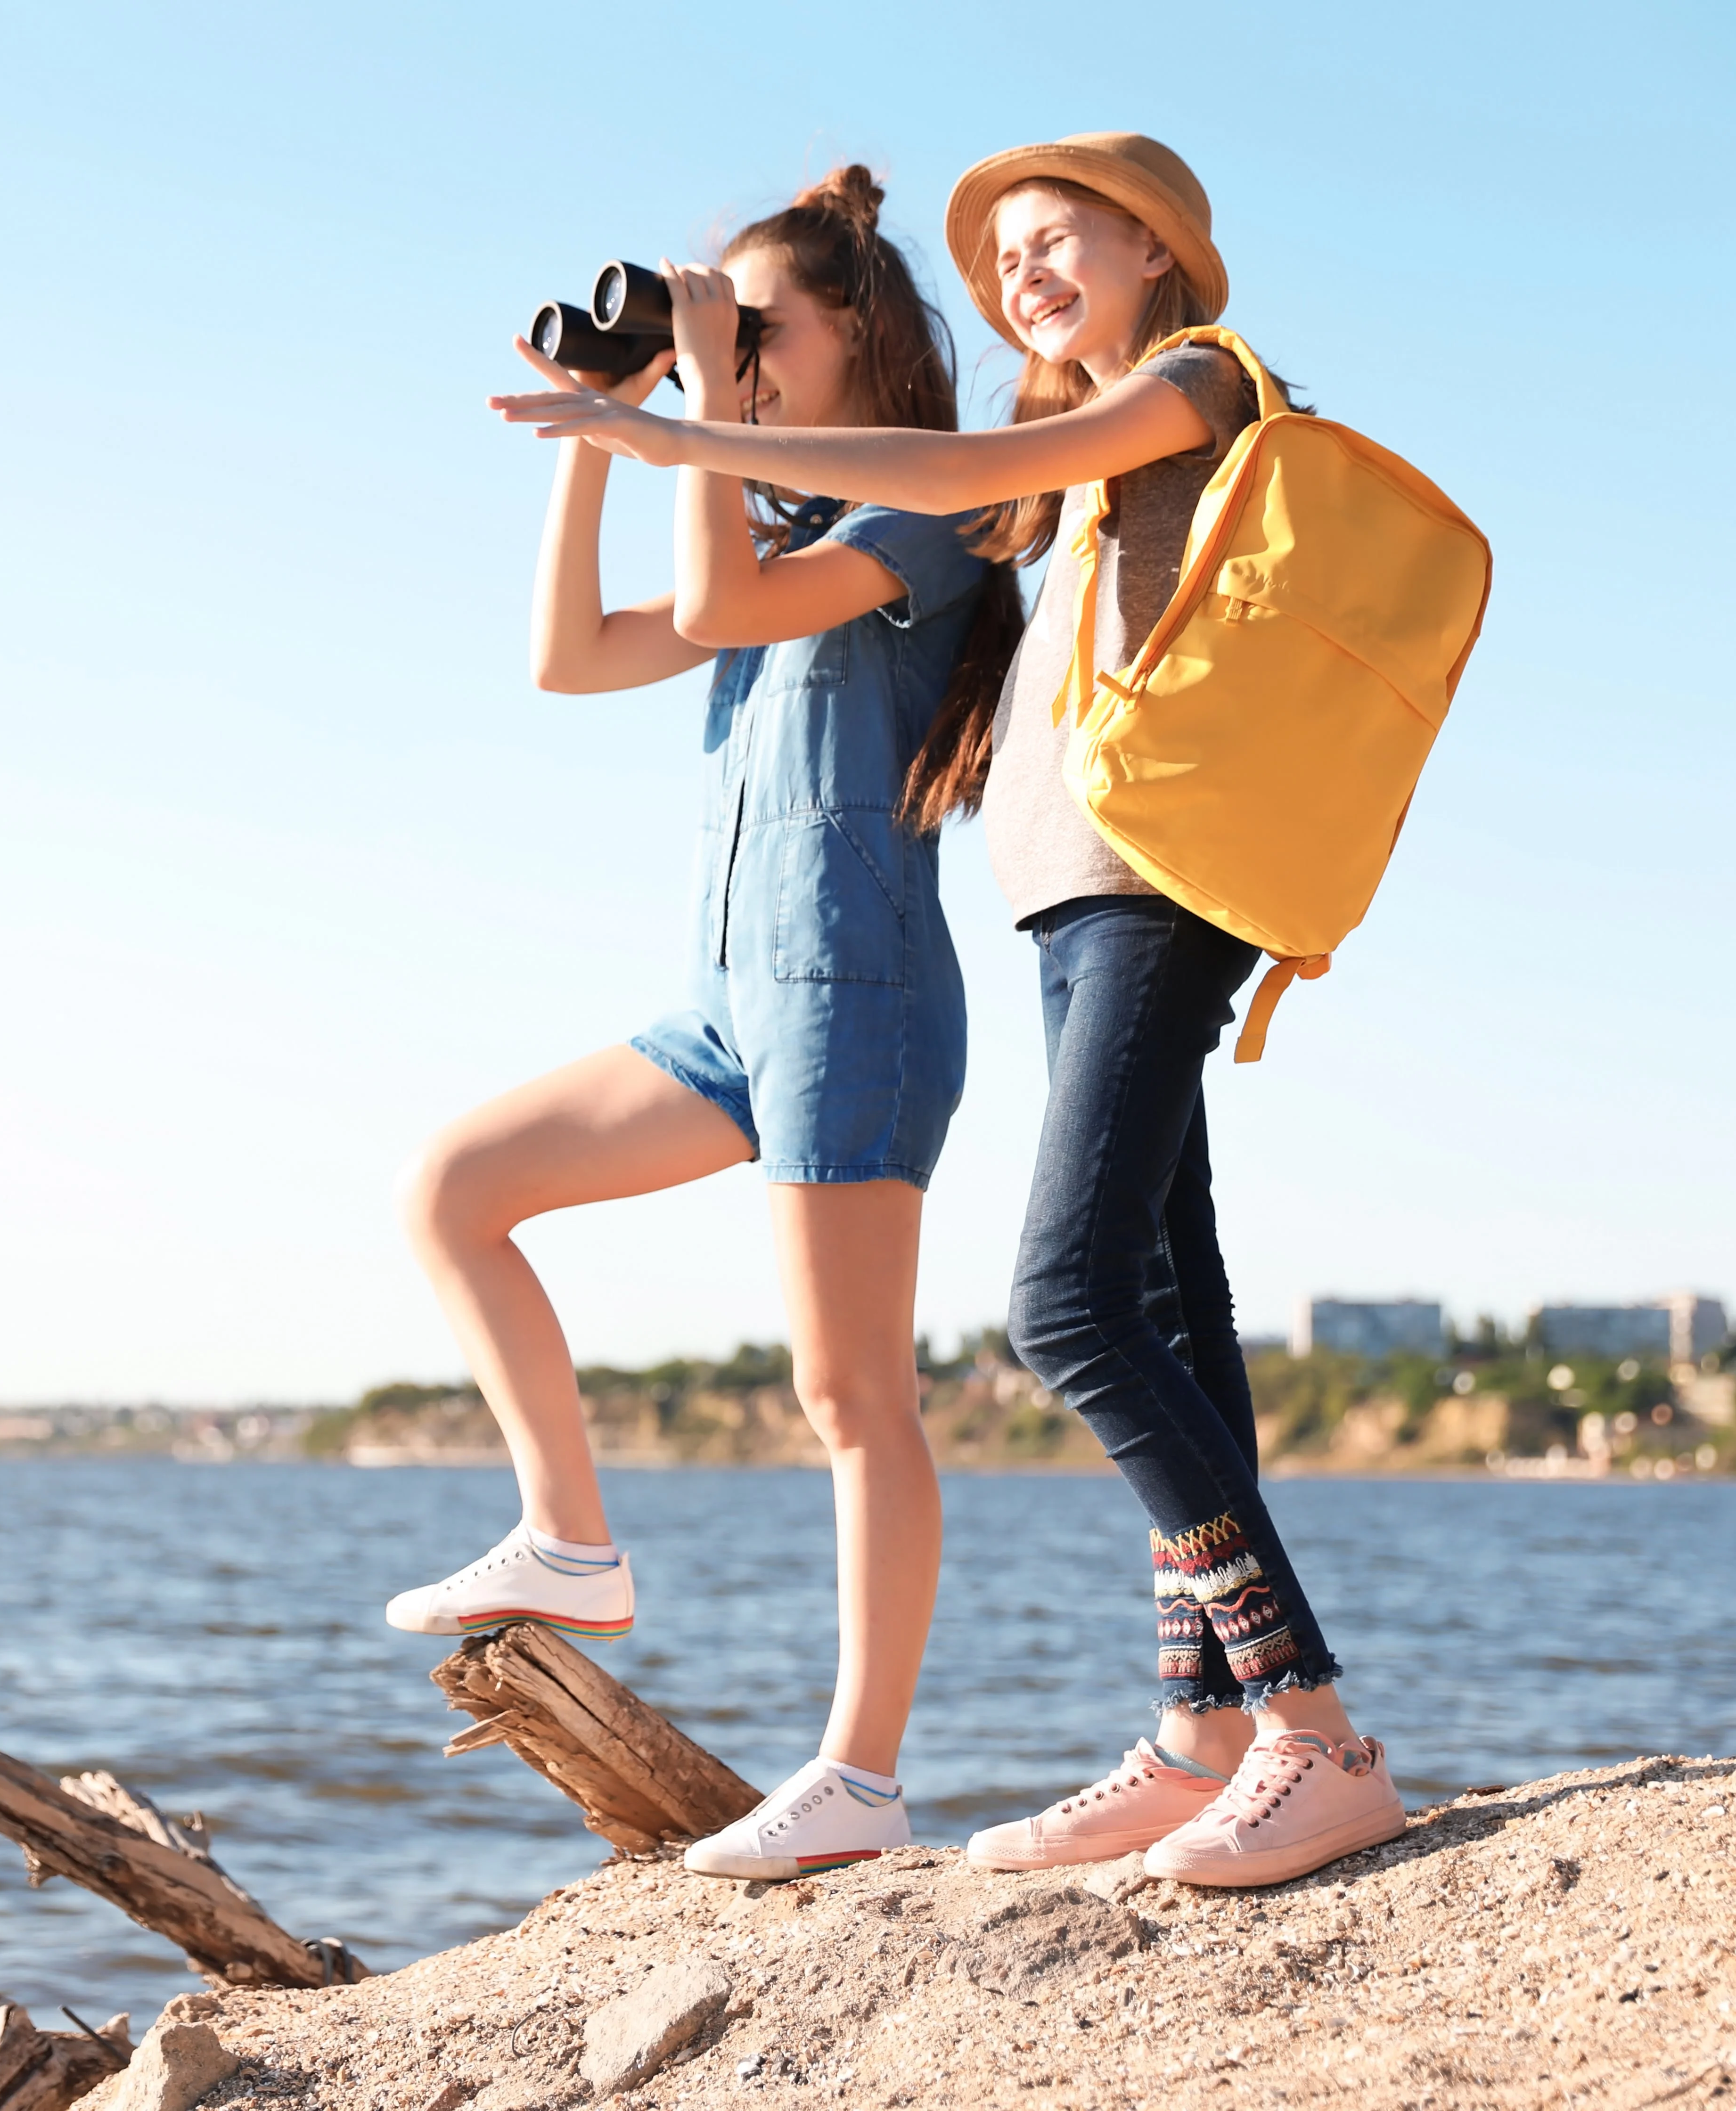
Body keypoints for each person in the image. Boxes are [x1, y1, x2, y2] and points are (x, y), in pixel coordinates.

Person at [489, 132, 1408, 1890]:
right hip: (1075, 898)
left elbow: (987, 452)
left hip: (1157, 893)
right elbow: (669, 615)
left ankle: (1312, 1732)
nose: (1028, 279)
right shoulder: (1032, 491)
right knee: (1164, 1298)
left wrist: (683, 426)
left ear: (1158, 250)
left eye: (1061, 242)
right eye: (1008, 263)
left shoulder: (1193, 382)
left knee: (1063, 1307)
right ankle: (1202, 1733)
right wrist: (663, 425)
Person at [391, 167, 1016, 1881]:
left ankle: (861, 1777)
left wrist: (698, 438)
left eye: (754, 331)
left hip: (857, 1000)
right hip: (727, 1012)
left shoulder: (928, 523)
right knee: (455, 1186)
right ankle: (571, 1538)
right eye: (715, 330)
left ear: (859, 345)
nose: (723, 359)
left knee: (847, 1391)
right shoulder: (778, 528)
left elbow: (728, 610)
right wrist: (610, 428)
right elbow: (570, 657)